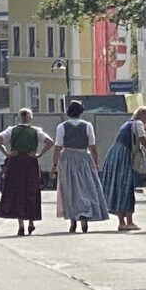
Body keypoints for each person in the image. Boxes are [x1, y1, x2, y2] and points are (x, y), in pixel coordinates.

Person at [51, 99, 110, 233]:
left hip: (67, 158)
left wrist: (54, 165)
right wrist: (95, 163)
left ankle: (73, 220)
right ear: (81, 112)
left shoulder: (62, 127)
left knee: (70, 189)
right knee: (85, 187)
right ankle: (84, 214)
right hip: (84, 157)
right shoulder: (87, 126)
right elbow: (92, 146)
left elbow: (57, 147)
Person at [0, 107, 54, 236]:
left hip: (15, 162)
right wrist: (39, 154)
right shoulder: (36, 131)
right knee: (31, 191)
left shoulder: (11, 130)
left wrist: (7, 153)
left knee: (18, 192)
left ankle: (21, 225)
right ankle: (31, 221)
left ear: (19, 118)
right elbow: (50, 142)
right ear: (30, 118)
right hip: (30, 162)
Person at [101, 105, 146, 231]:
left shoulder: (128, 123)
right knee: (127, 187)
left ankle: (122, 221)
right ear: (140, 115)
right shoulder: (138, 123)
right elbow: (142, 139)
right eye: (145, 114)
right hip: (125, 155)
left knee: (119, 187)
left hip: (115, 154)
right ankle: (128, 221)